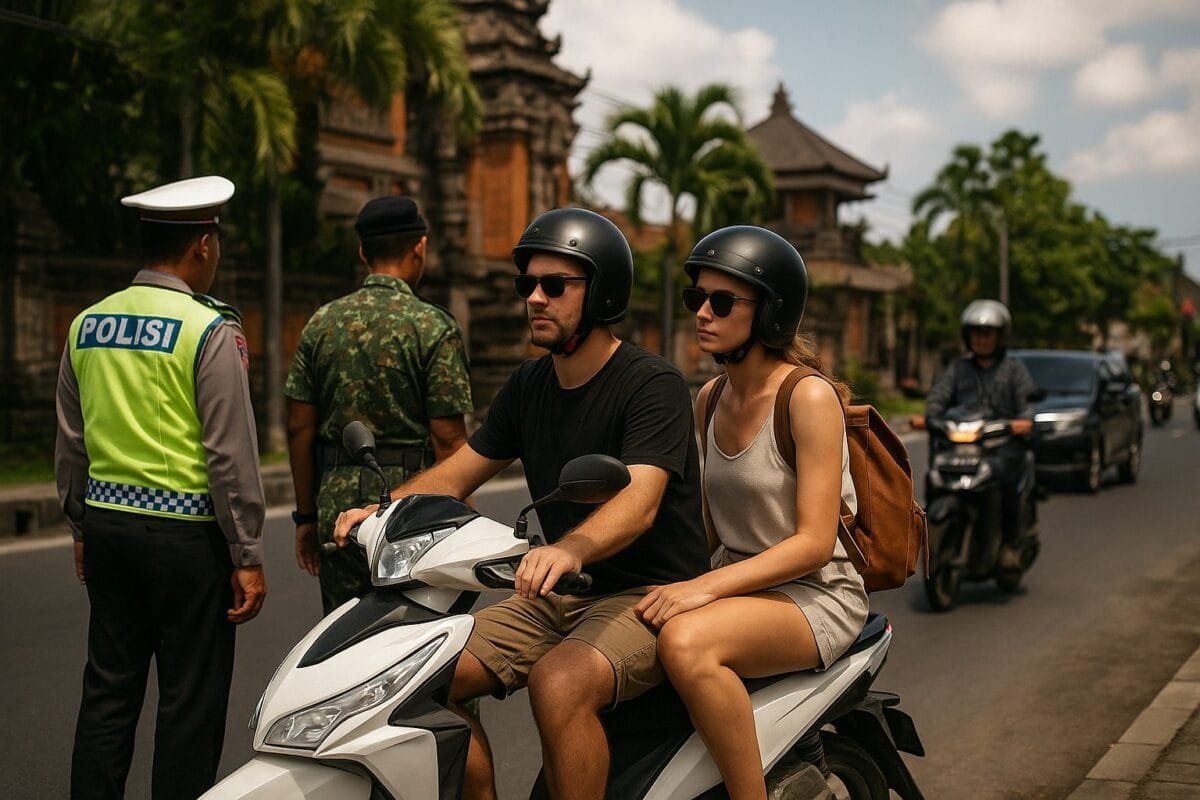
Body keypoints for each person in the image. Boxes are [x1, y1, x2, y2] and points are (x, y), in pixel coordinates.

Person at [333, 207, 708, 800]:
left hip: (648, 596)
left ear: (602, 292)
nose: (535, 298)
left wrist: (569, 548)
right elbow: (458, 471)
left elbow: (640, 500)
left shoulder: (650, 384)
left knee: (558, 683)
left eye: (554, 286)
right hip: (559, 594)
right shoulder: (530, 384)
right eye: (526, 285)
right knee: (415, 679)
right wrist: (379, 514)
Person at [633, 226, 868, 800]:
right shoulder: (710, 398)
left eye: (721, 301)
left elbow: (814, 543)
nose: (702, 314)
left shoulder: (806, 397)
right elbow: (711, 524)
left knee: (686, 643)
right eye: (697, 299)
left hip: (816, 592)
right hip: (744, 588)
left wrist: (703, 589)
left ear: (769, 312)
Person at [55, 176, 267, 800]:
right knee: (189, 703)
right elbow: (230, 454)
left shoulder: (86, 324)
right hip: (186, 541)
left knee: (108, 693)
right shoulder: (207, 330)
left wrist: (80, 526)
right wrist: (247, 552)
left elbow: (71, 444)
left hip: (108, 529)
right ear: (203, 245)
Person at [285, 196, 473, 614]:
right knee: (417, 630)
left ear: (362, 253)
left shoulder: (321, 322)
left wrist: (305, 517)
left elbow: (299, 427)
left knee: (340, 632)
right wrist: (468, 515)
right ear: (419, 246)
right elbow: (448, 435)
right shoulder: (431, 325)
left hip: (337, 504)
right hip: (413, 502)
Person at [925, 299, 1037, 567]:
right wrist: (931, 418)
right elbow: (937, 400)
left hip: (1001, 447)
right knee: (934, 475)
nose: (982, 339)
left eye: (987, 334)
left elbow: (1027, 408)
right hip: (963, 445)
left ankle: (1010, 543)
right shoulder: (958, 369)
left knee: (1005, 479)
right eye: (976, 333)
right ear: (967, 336)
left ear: (1000, 337)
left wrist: (1021, 422)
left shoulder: (1014, 370)